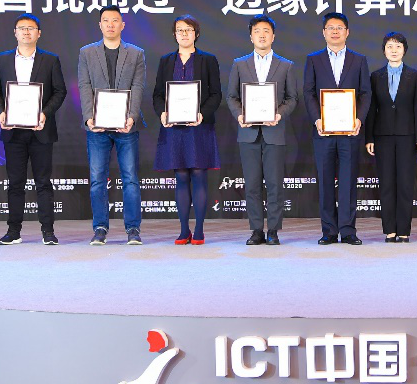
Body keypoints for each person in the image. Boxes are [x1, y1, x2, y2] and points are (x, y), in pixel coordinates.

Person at [0, 13, 67, 245]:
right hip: (12, 131)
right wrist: (1, 112)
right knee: (15, 183)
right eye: (22, 28)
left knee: (43, 182)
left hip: (41, 129)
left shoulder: (50, 60)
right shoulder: (2, 59)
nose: (26, 32)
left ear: (38, 33)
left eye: (31, 28)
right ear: (15, 33)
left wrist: (45, 113)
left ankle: (48, 232)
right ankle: (13, 231)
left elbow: (60, 91)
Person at [226, 14, 299, 246]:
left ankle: (273, 230)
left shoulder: (285, 65)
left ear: (273, 36)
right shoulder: (240, 64)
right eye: (257, 31)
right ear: (251, 36)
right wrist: (240, 115)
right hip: (248, 133)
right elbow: (232, 97)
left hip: (274, 132)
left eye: (266, 31)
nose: (262, 35)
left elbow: (292, 98)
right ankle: (256, 230)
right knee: (252, 184)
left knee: (275, 184)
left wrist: (279, 114)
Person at [78, 5, 146, 246]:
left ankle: (133, 228)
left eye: (115, 20)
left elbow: (138, 86)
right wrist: (89, 117)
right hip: (97, 128)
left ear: (122, 25)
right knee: (97, 178)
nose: (110, 24)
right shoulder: (87, 53)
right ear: (100, 25)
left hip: (126, 127)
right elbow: (84, 85)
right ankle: (100, 227)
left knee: (130, 178)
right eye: (106, 20)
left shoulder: (136, 53)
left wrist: (132, 117)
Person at [152, 15, 222, 245]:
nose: (184, 34)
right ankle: (184, 230)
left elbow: (216, 94)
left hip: (199, 126)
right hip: (174, 128)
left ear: (196, 34)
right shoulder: (166, 61)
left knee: (199, 174)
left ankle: (199, 230)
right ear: (174, 35)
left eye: (188, 30)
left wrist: (202, 114)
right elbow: (158, 94)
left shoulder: (208, 60)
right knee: (181, 176)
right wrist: (162, 113)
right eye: (180, 30)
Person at [303, 12, 371, 245]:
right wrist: (317, 119)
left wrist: (358, 119)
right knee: (325, 182)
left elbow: (365, 93)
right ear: (324, 32)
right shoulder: (314, 59)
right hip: (323, 131)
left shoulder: (358, 60)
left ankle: (348, 230)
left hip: (350, 132)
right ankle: (329, 231)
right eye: (330, 27)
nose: (335, 31)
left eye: (339, 27)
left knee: (348, 182)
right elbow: (309, 93)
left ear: (347, 32)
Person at [365, 32, 417, 243]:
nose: (394, 50)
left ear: (404, 50)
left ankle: (404, 230)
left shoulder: (414, 75)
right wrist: (369, 137)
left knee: (406, 183)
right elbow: (371, 110)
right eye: (390, 46)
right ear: (384, 50)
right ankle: (389, 230)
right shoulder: (375, 76)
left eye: (398, 46)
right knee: (387, 183)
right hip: (382, 136)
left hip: (407, 136)